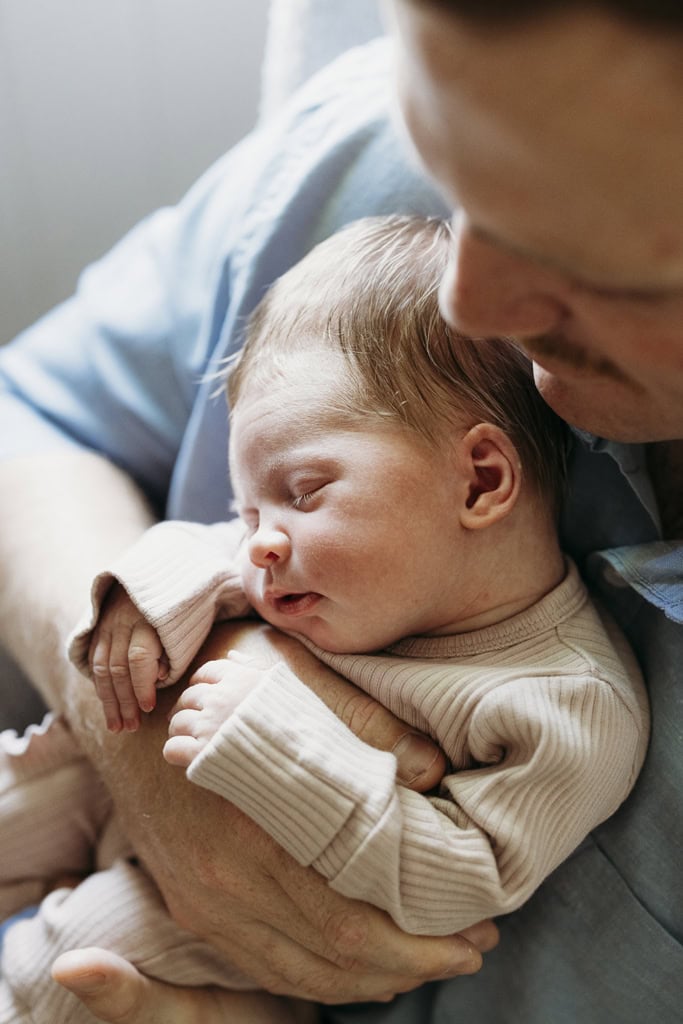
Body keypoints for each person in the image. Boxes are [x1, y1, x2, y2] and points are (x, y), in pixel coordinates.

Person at [0, 1, 680, 1021]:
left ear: (485, 480)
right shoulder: (359, 172)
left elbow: (464, 881)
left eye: (583, 246)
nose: (468, 303)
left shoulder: (564, 706)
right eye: (459, 175)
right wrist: (123, 677)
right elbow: (33, 416)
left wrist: (268, 750)